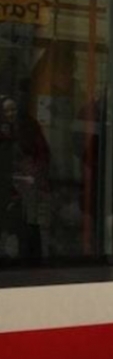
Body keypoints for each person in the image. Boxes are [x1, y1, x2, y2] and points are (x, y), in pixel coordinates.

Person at [0, 95, 50, 261]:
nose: (10, 113)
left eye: (13, 109)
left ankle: (30, 259)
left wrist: (35, 175)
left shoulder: (28, 127)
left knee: (28, 226)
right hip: (6, 188)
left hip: (27, 187)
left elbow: (41, 153)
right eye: (6, 110)